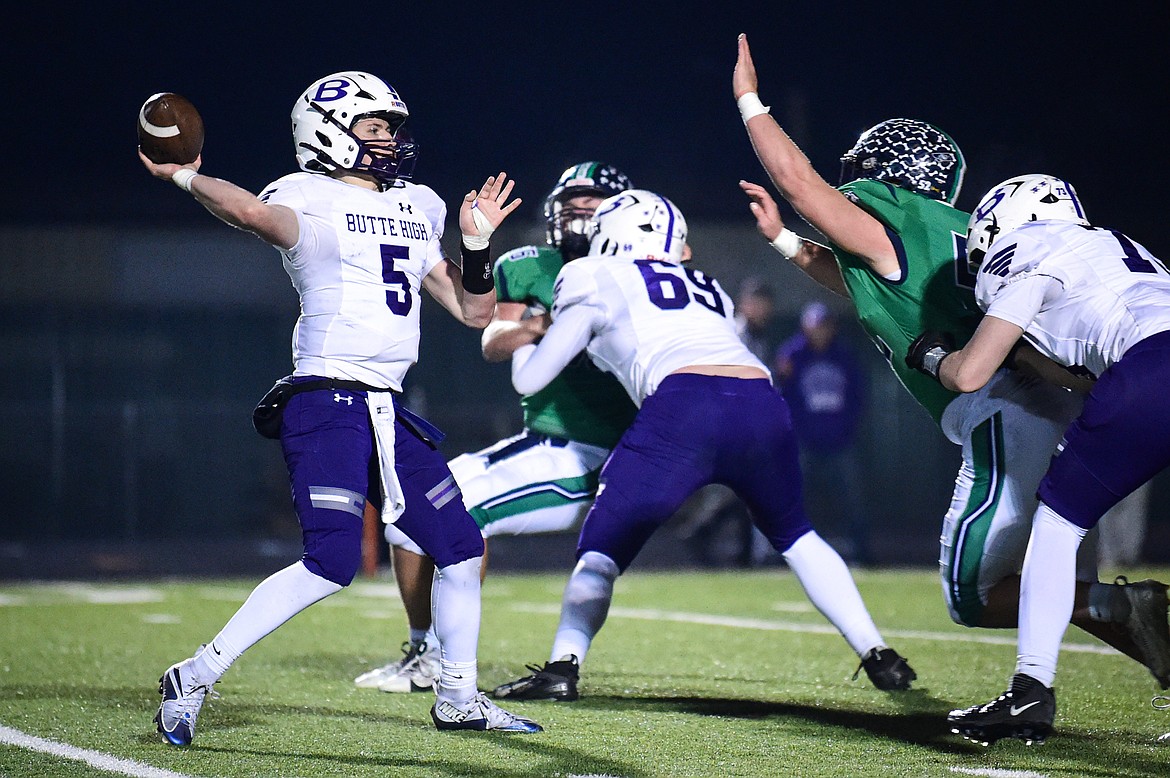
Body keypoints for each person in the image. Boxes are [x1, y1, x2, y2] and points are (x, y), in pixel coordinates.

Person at [732, 32, 1169, 690]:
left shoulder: (894, 221)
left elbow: (799, 183)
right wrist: (787, 244)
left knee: (973, 594)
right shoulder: (956, 231)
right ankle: (1142, 634)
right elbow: (862, 277)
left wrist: (747, 100)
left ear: (886, 173)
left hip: (1001, 412)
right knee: (1045, 579)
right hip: (1055, 409)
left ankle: (1080, 646)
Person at [139, 70, 542, 743]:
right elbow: (249, 212)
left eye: (391, 127)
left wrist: (475, 246)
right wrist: (184, 177)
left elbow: (473, 311)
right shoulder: (308, 196)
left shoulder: (419, 204)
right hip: (326, 398)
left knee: (462, 547)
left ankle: (458, 696)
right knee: (331, 561)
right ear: (327, 132)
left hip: (387, 409)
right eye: (374, 127)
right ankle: (196, 673)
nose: (390, 139)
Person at [490, 189, 916, 702]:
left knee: (601, 550)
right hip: (760, 400)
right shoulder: (707, 285)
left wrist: (528, 331)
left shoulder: (589, 274)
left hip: (683, 404)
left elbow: (531, 380)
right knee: (796, 534)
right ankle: (878, 652)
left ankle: (562, 666)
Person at [355, 162, 639, 694]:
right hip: (545, 440)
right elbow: (493, 340)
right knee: (411, 509)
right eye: (570, 201)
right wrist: (555, 321)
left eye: (592, 201)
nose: (578, 211)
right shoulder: (530, 266)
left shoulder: (636, 270)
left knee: (455, 514)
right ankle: (425, 652)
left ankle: (446, 661)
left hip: (605, 452)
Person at [906, 173, 1170, 745]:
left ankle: (1031, 690)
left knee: (1056, 521)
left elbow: (970, 372)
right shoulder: (1116, 245)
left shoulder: (1031, 256)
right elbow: (1080, 368)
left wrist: (930, 356)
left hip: (1152, 372)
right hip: (1152, 357)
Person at [774, 301, 871, 565]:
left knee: (853, 498)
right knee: (792, 496)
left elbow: (856, 397)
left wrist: (847, 429)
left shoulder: (844, 355)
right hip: (803, 441)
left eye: (825, 326)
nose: (820, 332)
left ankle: (862, 552)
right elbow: (783, 396)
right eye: (816, 326)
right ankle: (788, 552)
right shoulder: (793, 354)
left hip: (839, 441)